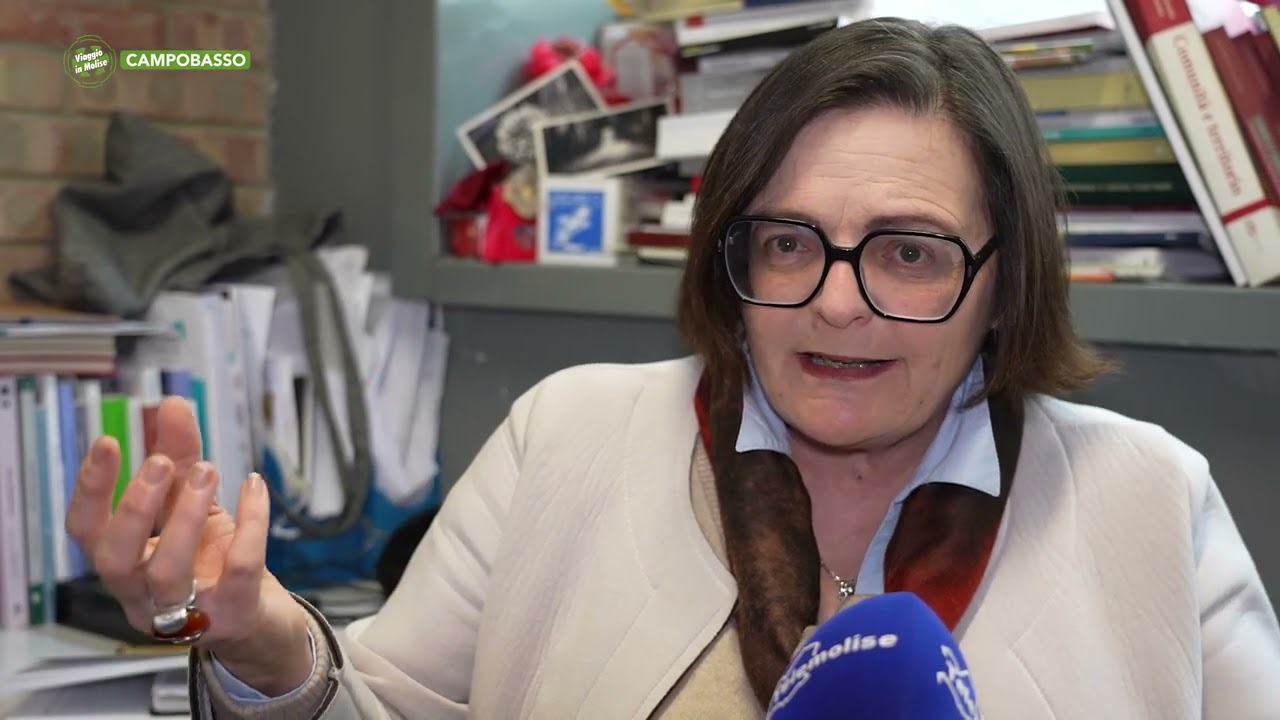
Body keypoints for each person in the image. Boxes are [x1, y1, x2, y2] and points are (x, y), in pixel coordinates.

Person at [66, 16, 1280, 719]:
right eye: (788, 241)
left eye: (908, 253)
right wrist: (267, 644)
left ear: (1003, 279)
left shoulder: (1145, 499)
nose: (835, 302)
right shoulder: (568, 438)